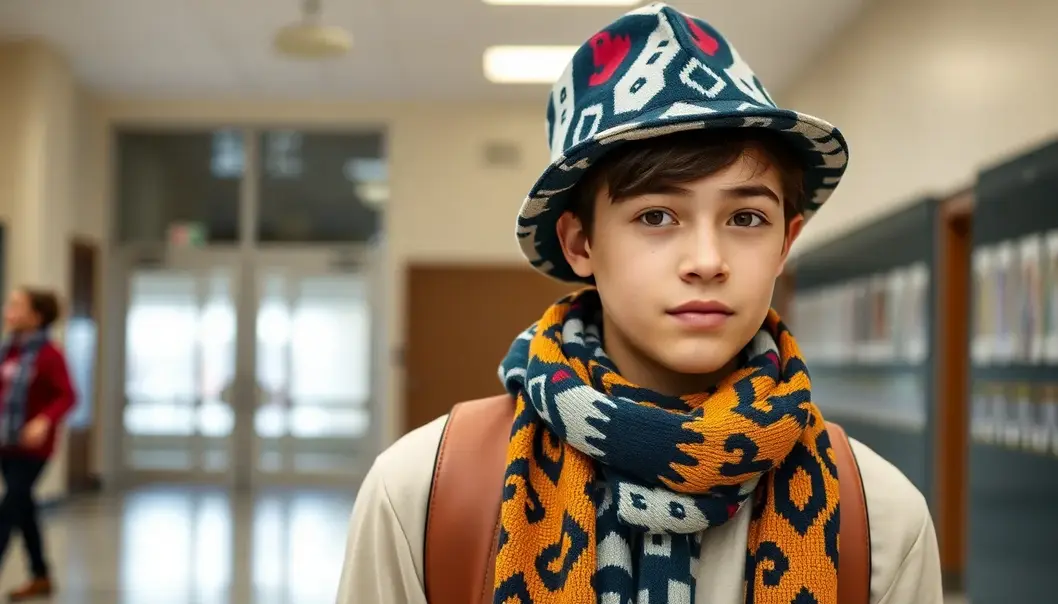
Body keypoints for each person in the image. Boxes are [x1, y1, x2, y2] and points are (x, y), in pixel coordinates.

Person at [336, 3, 943, 603]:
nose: (707, 259)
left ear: (786, 241)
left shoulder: (879, 518)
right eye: (657, 215)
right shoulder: (425, 493)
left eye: (746, 217)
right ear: (581, 243)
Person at [0, 287, 76, 601]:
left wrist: (44, 420)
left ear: (36, 316)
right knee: (24, 508)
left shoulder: (49, 354)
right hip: (7, 443)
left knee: (8, 510)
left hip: (34, 450)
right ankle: (41, 575)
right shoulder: (9, 351)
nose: (9, 310)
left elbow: (68, 395)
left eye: (17, 305)